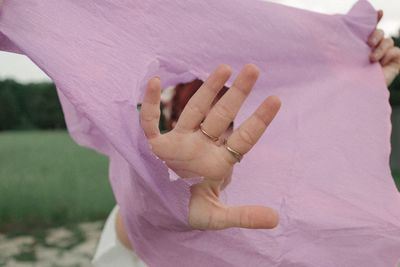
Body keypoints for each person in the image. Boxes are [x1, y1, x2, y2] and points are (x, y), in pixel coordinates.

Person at [92, 11, 400, 266]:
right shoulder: (145, 206)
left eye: (231, 125)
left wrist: (362, 83)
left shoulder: (293, 198)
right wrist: (172, 204)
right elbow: (137, 221)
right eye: (199, 123)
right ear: (173, 121)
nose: (217, 142)